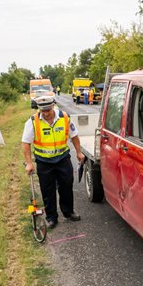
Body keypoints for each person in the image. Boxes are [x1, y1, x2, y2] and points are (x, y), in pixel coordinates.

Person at [22, 95, 85, 229]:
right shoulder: (32, 122)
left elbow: (74, 136)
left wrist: (79, 152)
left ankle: (68, 212)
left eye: (48, 110)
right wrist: (29, 163)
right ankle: (51, 217)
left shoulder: (64, 118)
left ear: (53, 107)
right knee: (47, 190)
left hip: (62, 159)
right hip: (44, 162)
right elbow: (26, 143)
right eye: (42, 111)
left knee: (67, 186)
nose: (45, 113)